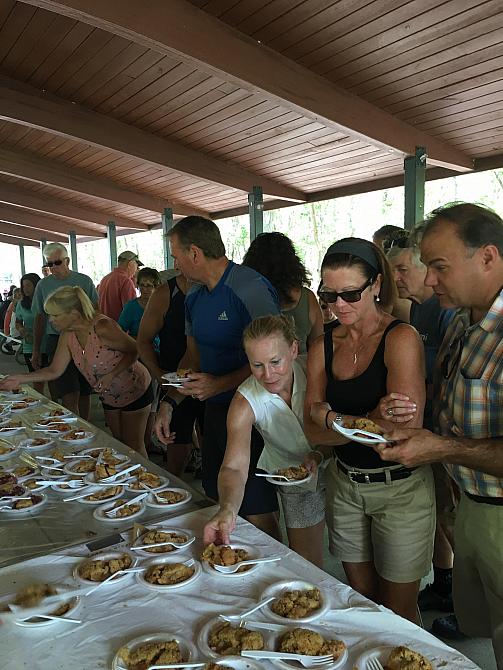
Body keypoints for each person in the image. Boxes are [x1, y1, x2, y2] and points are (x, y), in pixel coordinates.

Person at [378, 203, 503, 668]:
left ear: (487, 257)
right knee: (488, 624)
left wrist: (443, 447)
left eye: (439, 266)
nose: (428, 280)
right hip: (471, 505)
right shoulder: (463, 322)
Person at [304, 237, 433, 623]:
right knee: (361, 601)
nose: (338, 306)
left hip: (400, 490)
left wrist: (331, 419)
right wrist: (365, 418)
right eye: (328, 295)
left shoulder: (401, 338)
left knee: (398, 610)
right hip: (345, 485)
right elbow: (312, 434)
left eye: (351, 294)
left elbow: (400, 436)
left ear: (376, 285)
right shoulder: (322, 346)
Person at [154, 216, 280, 538]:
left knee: (255, 510)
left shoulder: (248, 287)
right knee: (219, 498)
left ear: (194, 253)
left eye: (175, 254)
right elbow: (192, 359)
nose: (174, 262)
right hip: (215, 412)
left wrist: (218, 384)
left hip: (254, 415)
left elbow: (274, 361)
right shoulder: (194, 296)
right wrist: (169, 400)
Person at [204, 315, 326, 567]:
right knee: (307, 562)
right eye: (257, 365)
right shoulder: (244, 400)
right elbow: (234, 466)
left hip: (341, 465)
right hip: (294, 476)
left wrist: (321, 452)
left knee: (359, 561)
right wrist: (227, 508)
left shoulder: (316, 370)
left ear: (293, 349)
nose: (268, 374)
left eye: (275, 361)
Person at [386, 235, 458, 627]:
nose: (397, 277)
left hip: (446, 435)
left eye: (402, 269)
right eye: (392, 269)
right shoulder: (419, 313)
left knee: (451, 515)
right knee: (442, 513)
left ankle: (463, 602)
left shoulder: (445, 313)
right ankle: (449, 586)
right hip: (427, 431)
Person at [1, 286, 152, 456]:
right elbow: (54, 370)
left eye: (55, 315)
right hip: (109, 394)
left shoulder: (102, 327)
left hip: (134, 388)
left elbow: (135, 349)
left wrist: (112, 374)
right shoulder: (68, 335)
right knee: (120, 443)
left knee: (134, 446)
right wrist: (20, 378)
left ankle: (146, 479)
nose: (51, 320)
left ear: (73, 314)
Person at [138, 269, 204, 475]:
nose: (176, 262)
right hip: (174, 380)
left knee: (212, 444)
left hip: (210, 380)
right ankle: (175, 495)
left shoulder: (215, 287)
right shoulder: (165, 292)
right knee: (176, 444)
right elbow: (143, 340)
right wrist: (159, 376)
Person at [31, 242, 98, 418]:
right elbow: (39, 318)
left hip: (83, 338)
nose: (53, 268)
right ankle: (74, 427)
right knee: (68, 390)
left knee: (84, 389)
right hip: (55, 338)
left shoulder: (84, 281)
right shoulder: (42, 285)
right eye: (49, 264)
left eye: (57, 262)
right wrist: (37, 350)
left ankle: (85, 425)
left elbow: (95, 312)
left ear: (67, 260)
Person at [242, 232, 323, 354]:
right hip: (301, 369)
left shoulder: (246, 298)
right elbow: (318, 346)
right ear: (292, 262)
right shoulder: (307, 297)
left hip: (257, 369)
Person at [15, 273, 45, 393]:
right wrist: (21, 329)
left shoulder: (45, 301)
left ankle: (55, 403)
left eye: (28, 285)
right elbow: (18, 322)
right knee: (36, 376)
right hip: (29, 345)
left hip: (46, 343)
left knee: (53, 378)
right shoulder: (21, 304)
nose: (25, 289)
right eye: (23, 286)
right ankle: (39, 400)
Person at [98, 250, 143, 321]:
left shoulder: (105, 279)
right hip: (119, 328)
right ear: (130, 264)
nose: (137, 269)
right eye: (137, 266)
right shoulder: (126, 281)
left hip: (104, 327)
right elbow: (131, 311)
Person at [118, 267, 161, 338]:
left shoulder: (162, 306)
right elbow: (120, 331)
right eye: (142, 285)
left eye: (149, 286)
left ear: (156, 287)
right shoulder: (131, 307)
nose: (144, 289)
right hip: (135, 346)